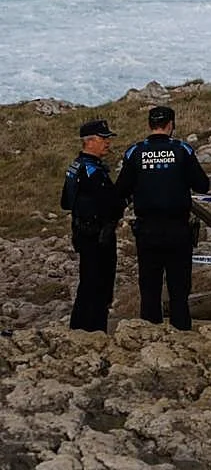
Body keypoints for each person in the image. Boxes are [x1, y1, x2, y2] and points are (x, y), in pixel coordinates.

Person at [114, 106, 209, 330]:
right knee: (179, 288)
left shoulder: (135, 152)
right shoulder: (182, 150)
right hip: (178, 228)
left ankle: (149, 334)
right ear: (170, 125)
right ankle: (181, 333)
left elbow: (120, 190)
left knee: (149, 287)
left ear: (150, 125)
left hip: (147, 229)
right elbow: (202, 185)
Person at [61, 118, 125, 332]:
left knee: (87, 283)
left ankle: (78, 327)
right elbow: (111, 203)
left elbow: (65, 201)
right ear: (89, 141)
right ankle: (94, 331)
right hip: (97, 235)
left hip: (82, 231)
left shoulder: (75, 166)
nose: (108, 143)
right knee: (98, 286)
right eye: (103, 139)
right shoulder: (92, 171)